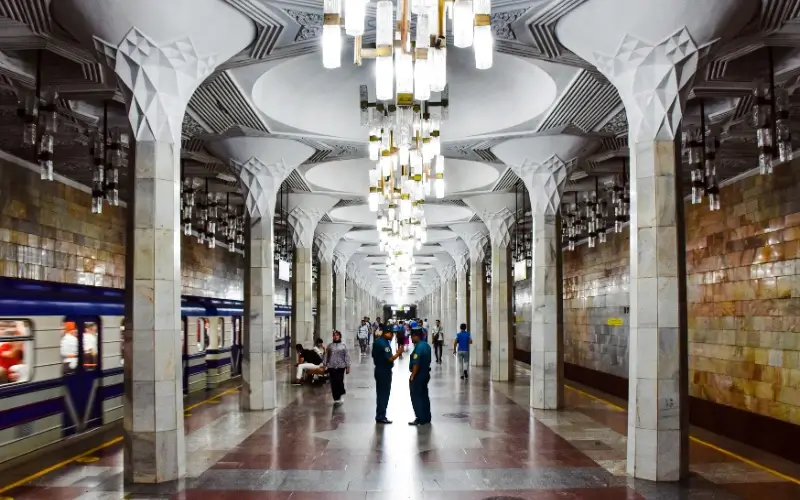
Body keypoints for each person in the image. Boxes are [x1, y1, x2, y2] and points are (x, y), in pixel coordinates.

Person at [372, 327, 404, 424]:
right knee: (384, 394)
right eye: (391, 333)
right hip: (384, 371)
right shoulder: (383, 343)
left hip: (379, 369)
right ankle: (381, 416)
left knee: (381, 393)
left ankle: (380, 415)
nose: (393, 335)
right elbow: (389, 359)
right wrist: (398, 353)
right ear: (386, 333)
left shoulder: (377, 342)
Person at [408, 328, 432, 426]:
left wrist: (413, 375)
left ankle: (420, 418)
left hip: (419, 375)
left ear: (416, 336)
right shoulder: (426, 346)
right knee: (424, 396)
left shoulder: (418, 347)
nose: (411, 338)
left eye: (412, 336)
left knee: (417, 397)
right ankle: (426, 417)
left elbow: (416, 363)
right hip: (426, 373)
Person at [324, 330, 350, 405]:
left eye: (337, 335)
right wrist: (325, 364)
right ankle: (336, 397)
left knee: (339, 381)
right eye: (334, 335)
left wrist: (348, 366)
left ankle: (341, 393)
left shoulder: (343, 346)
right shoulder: (329, 346)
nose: (335, 337)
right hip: (331, 366)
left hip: (341, 366)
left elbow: (347, 356)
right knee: (333, 382)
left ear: (340, 336)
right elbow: (326, 355)